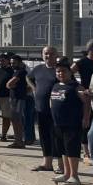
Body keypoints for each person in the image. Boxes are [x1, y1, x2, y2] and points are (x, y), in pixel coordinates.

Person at [49, 57, 87, 185]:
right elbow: (52, 100)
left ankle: (74, 176)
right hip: (58, 124)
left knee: (72, 150)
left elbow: (86, 102)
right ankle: (66, 174)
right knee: (63, 150)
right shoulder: (56, 85)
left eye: (63, 71)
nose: (61, 73)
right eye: (58, 71)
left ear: (70, 72)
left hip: (72, 124)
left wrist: (85, 118)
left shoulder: (76, 86)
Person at [28, 46, 63, 175]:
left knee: (57, 137)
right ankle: (47, 163)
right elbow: (28, 78)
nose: (48, 56)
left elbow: (69, 84)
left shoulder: (60, 70)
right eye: (46, 53)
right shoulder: (38, 69)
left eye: (51, 53)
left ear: (56, 55)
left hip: (56, 111)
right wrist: (34, 89)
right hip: (40, 109)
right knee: (44, 136)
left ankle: (61, 165)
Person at [5, 54, 30, 150]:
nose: (12, 65)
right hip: (16, 98)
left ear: (20, 62)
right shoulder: (20, 72)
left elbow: (9, 84)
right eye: (11, 63)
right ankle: (18, 140)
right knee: (15, 120)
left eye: (14, 63)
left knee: (16, 120)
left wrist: (12, 86)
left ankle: (19, 141)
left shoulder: (20, 72)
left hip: (17, 99)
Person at [0, 53, 15, 142]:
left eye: (3, 60)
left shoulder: (12, 71)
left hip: (7, 97)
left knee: (6, 117)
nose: (1, 62)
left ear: (7, 61)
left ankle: (3, 135)